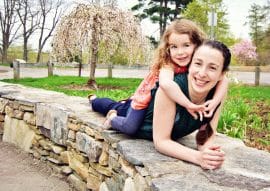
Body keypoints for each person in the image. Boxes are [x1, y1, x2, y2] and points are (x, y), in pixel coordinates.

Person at [89, 19, 228, 136]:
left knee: (120, 105)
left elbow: (224, 79)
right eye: (174, 47)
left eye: (186, 45)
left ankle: (113, 103)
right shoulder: (168, 64)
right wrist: (188, 105)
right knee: (129, 126)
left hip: (153, 104)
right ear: (168, 48)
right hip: (143, 101)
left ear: (197, 44)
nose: (180, 52)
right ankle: (107, 113)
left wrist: (215, 102)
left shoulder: (197, 62)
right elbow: (166, 85)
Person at [135, 40, 231, 170]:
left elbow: (206, 134)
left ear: (222, 74)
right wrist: (197, 157)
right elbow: (161, 141)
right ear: (190, 65)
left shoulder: (217, 95)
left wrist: (209, 153)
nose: (202, 73)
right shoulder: (170, 90)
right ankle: (99, 102)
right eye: (198, 64)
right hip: (136, 125)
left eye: (212, 68)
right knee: (111, 108)